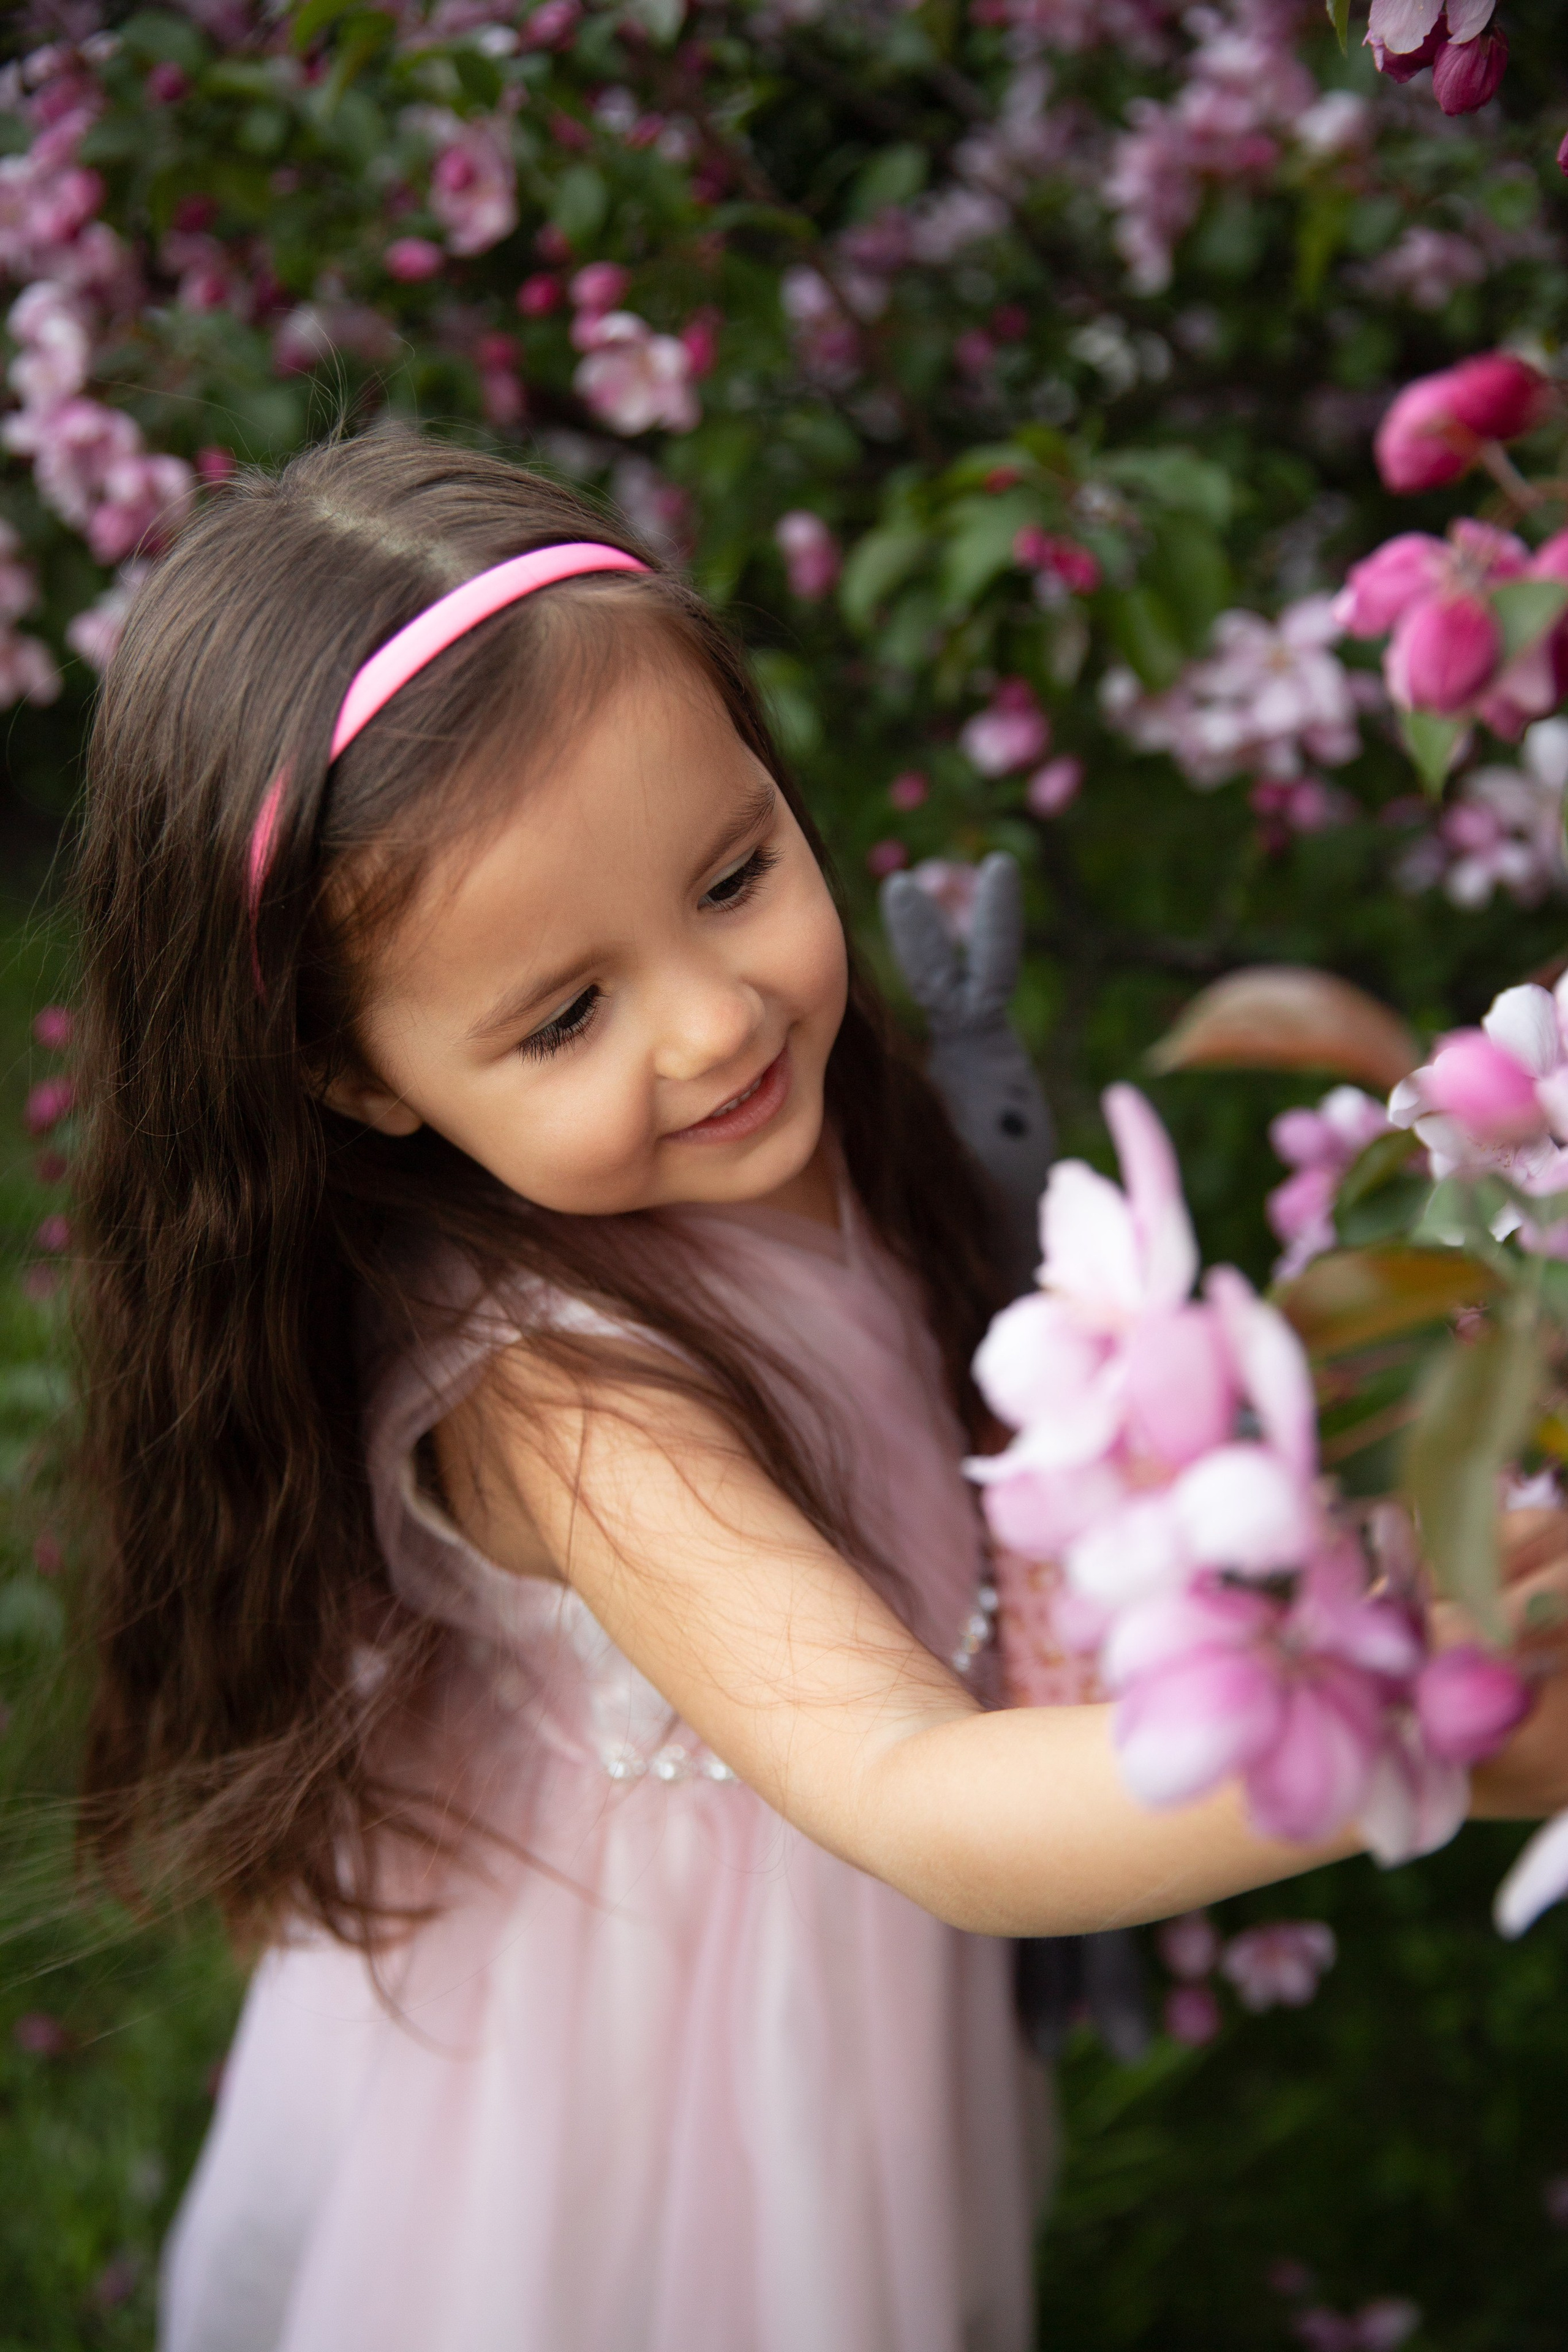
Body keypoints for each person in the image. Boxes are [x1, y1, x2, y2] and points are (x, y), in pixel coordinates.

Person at [67, 433, 1567, 2352]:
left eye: (732, 872)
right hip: (665, 2071)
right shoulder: (566, 1404)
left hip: (858, 1961)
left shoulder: (789, 1134)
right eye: (564, 1014)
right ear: (355, 1076)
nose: (716, 1019)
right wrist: (1378, 1716)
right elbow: (915, 1791)